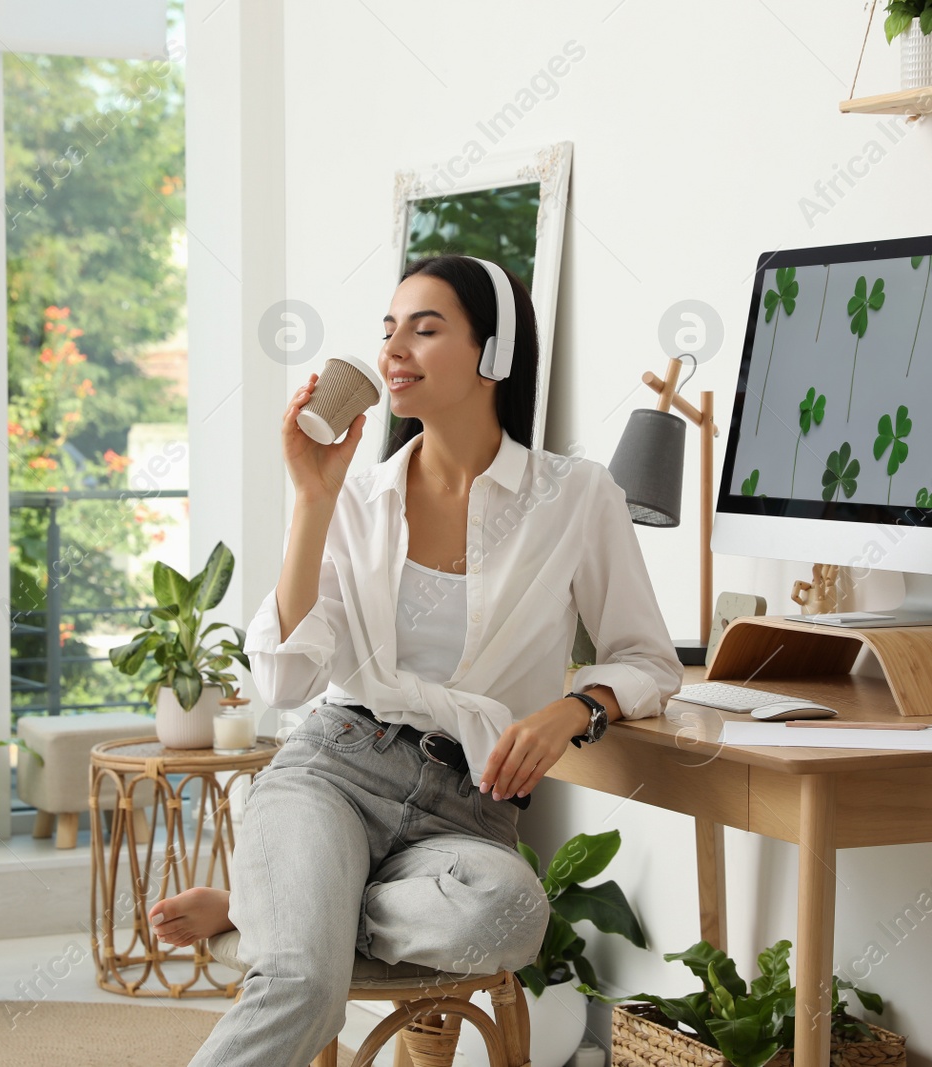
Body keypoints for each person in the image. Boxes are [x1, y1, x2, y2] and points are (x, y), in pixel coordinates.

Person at [150, 255, 681, 1066]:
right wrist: (311, 500)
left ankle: (286, 906)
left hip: (469, 808)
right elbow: (285, 681)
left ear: (493, 355)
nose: (395, 348)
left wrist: (575, 708)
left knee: (511, 919)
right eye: (389, 329)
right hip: (335, 767)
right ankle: (298, 918)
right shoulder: (358, 500)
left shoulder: (576, 497)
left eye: (426, 329)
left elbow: (648, 657)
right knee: (303, 986)